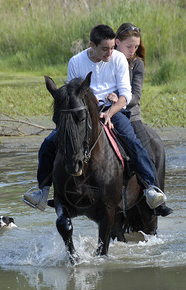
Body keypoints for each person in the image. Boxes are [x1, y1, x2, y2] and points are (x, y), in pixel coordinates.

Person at [22, 24, 172, 216]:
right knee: (48, 144)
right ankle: (42, 190)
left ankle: (151, 188)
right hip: (84, 113)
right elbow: (73, 94)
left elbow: (126, 95)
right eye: (105, 49)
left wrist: (109, 113)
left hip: (113, 111)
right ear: (92, 45)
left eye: (112, 47)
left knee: (133, 141)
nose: (110, 52)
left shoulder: (118, 59)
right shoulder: (76, 62)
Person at [113, 23, 172, 216]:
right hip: (104, 112)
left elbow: (135, 96)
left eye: (136, 47)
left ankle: (154, 194)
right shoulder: (108, 58)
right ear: (117, 42)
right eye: (129, 46)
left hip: (130, 116)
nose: (133, 50)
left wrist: (119, 101)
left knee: (147, 152)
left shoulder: (136, 63)